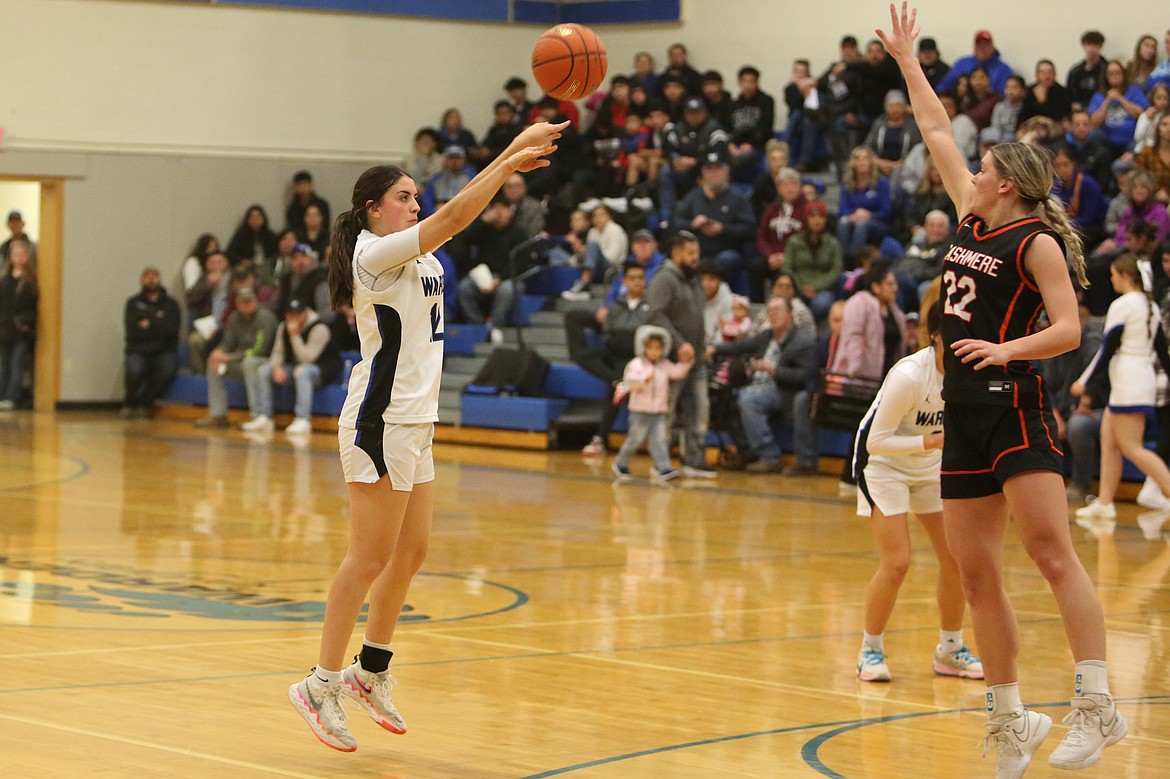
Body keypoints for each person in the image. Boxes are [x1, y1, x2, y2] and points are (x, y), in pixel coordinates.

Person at [879, 5, 1128, 775]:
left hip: (1018, 404)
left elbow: (1070, 329)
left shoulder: (1037, 241)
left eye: (986, 167)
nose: (973, 170)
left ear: (1011, 185)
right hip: (965, 415)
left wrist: (1001, 348)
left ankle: (1097, 704)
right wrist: (908, 60)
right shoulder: (969, 216)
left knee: (1052, 553)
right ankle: (1010, 716)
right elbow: (937, 130)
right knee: (977, 571)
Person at [287, 120, 566, 751]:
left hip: (416, 422)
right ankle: (320, 683)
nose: (416, 205)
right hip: (379, 421)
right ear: (372, 209)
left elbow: (446, 226)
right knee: (368, 558)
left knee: (409, 555)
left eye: (417, 196)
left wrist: (509, 161)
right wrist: (510, 157)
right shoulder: (371, 252)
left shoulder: (412, 252)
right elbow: (456, 218)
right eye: (405, 198)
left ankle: (370, 673)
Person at [853, 302, 982, 683]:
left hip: (928, 465)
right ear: (935, 335)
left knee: (956, 558)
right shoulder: (910, 375)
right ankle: (869, 650)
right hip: (882, 466)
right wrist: (931, 441)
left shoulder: (970, 371)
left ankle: (950, 650)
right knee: (897, 562)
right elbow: (875, 442)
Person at [1072, 254, 1170, 519]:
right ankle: (1105, 503)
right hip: (1138, 378)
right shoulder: (1149, 306)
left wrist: (1084, 382)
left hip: (1129, 380)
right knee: (1110, 441)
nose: (1111, 278)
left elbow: (1107, 348)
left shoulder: (1124, 304)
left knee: (1131, 446)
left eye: (1114, 274)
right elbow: (1162, 352)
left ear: (1125, 275)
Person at [709, 295, 816, 474]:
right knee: (729, 396)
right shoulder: (767, 335)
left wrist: (773, 370)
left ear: (790, 314)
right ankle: (747, 453)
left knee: (749, 400)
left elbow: (805, 376)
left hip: (784, 390)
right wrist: (715, 348)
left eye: (777, 310)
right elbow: (741, 346)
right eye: (770, 310)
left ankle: (769, 456)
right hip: (757, 386)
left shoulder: (803, 341)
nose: (772, 314)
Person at [645, 231, 716, 478]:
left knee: (700, 407)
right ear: (676, 254)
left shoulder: (693, 279)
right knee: (667, 410)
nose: (696, 258)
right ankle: (660, 463)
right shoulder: (664, 279)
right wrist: (678, 343)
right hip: (671, 359)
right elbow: (656, 314)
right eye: (690, 253)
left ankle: (694, 459)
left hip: (695, 359)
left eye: (697, 252)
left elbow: (695, 315)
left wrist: (701, 343)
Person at [577, 262, 651, 457]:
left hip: (635, 357)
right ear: (625, 281)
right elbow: (607, 330)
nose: (637, 282)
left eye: (641, 278)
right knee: (583, 355)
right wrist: (610, 340)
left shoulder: (651, 305)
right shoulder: (616, 304)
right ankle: (617, 379)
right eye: (633, 278)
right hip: (613, 351)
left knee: (613, 393)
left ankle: (599, 439)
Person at [243, 299, 342, 435]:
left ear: (305, 313)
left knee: (302, 372)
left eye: (298, 314)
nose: (293, 318)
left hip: (324, 371)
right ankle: (264, 416)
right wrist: (276, 366)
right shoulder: (283, 327)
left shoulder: (320, 328)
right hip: (296, 369)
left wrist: (295, 335)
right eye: (290, 314)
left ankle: (303, 419)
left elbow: (306, 358)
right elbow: (277, 352)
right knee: (265, 370)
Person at [611, 327, 693, 483]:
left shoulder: (664, 365)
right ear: (643, 348)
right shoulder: (636, 365)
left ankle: (663, 467)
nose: (654, 352)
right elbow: (630, 383)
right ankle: (621, 462)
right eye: (651, 348)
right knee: (635, 439)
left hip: (659, 411)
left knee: (660, 439)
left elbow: (676, 372)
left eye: (658, 348)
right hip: (640, 411)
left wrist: (686, 363)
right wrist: (643, 380)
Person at [193, 286, 278, 429]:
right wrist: (218, 352)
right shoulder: (234, 318)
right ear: (237, 303)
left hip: (267, 361)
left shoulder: (265, 318)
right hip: (242, 360)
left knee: (249, 363)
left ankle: (257, 416)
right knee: (213, 361)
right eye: (243, 302)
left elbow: (260, 350)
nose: (246, 305)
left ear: (256, 301)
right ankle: (218, 415)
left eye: (249, 301)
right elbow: (227, 343)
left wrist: (229, 357)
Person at [122, 267, 180, 418]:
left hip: (164, 350)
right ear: (142, 280)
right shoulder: (133, 303)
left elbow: (172, 330)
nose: (151, 279)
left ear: (160, 279)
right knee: (134, 369)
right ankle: (130, 402)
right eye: (147, 276)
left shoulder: (172, 304)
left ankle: (145, 403)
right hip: (138, 349)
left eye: (155, 275)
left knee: (167, 369)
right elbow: (132, 331)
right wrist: (160, 322)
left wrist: (149, 323)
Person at [836, 146, 894, 259]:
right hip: (854, 218)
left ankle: (855, 261)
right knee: (843, 221)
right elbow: (842, 209)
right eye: (857, 158)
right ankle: (842, 260)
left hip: (877, 222)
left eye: (865, 158)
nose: (861, 162)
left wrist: (869, 215)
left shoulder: (881, 183)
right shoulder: (847, 184)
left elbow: (886, 211)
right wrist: (855, 213)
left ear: (871, 161)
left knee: (861, 223)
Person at [0, 241, 37, 410]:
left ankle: (12, 397)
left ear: (27, 257)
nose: (19, 257)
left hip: (21, 331)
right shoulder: (4, 279)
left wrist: (23, 322)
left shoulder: (30, 280)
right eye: (15, 254)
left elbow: (34, 307)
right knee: (3, 364)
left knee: (17, 364)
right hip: (3, 328)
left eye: (22, 254)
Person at [1088, 61, 1150, 159]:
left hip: (1130, 140)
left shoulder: (1134, 90)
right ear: (1105, 76)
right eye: (1110, 73)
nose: (1114, 76)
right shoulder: (1098, 96)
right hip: (1107, 141)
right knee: (1093, 135)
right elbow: (1094, 123)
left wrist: (1121, 99)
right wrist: (1107, 101)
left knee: (1139, 149)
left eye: (1117, 73)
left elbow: (1141, 114)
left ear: (1123, 74)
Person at [935, 29, 1015, 97]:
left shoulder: (1003, 70)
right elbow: (944, 86)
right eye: (979, 45)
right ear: (974, 47)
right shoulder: (962, 63)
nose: (982, 48)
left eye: (986, 45)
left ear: (992, 47)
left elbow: (1005, 95)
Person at [1068, 31, 1108, 113]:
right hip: (1079, 111)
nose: (1092, 49)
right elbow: (1070, 94)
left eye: (1096, 45)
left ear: (1101, 47)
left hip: (1101, 109)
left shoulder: (1107, 69)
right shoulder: (1076, 71)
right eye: (1089, 45)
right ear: (1084, 46)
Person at [286, 170, 331, 235]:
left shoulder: (322, 204)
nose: (303, 187)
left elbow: (326, 226)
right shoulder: (292, 209)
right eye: (300, 184)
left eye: (306, 183)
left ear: (311, 185)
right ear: (295, 187)